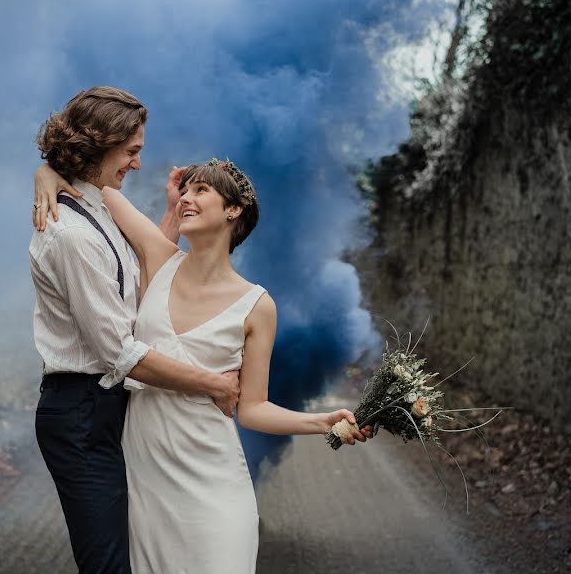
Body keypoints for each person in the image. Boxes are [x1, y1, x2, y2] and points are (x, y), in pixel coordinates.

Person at [36, 158, 373, 573]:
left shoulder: (257, 305)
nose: (186, 199)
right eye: (185, 191)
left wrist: (322, 421)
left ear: (233, 210)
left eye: (201, 191)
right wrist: (47, 172)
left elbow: (252, 409)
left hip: (213, 482)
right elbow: (98, 186)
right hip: (147, 484)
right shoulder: (159, 257)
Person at [29, 86, 241, 574]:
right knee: (107, 566)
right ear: (96, 145)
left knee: (139, 552)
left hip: (106, 407)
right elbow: (121, 353)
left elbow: (142, 288)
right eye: (131, 152)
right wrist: (213, 383)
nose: (137, 164)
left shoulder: (97, 208)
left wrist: (169, 213)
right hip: (81, 413)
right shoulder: (71, 234)